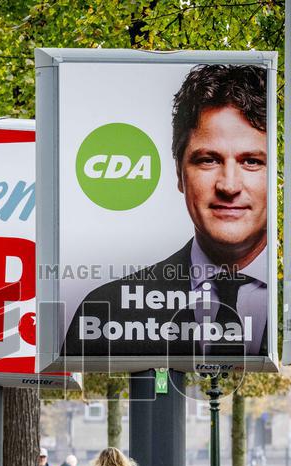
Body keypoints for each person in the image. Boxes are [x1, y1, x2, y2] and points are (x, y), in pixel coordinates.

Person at [63, 64, 269, 358]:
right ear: (179, 173)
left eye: (251, 162)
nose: (229, 185)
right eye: (208, 160)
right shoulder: (103, 311)